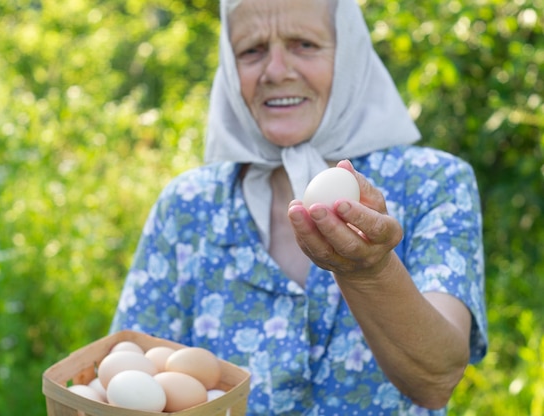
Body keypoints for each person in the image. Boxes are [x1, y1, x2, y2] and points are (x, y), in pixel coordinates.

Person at [110, 0, 488, 414]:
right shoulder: (188, 205)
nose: (275, 71)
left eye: (304, 44)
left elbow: (436, 380)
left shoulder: (432, 182)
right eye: (251, 51)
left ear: (349, 54)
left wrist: (371, 272)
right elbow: (129, 374)